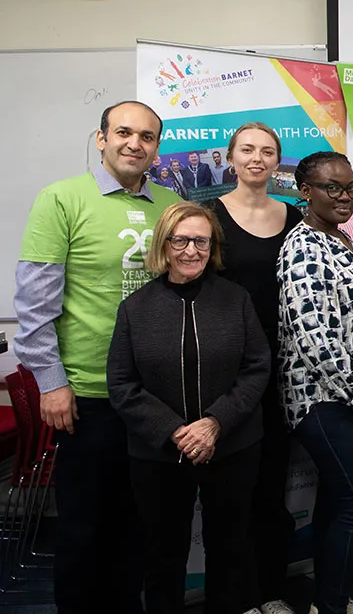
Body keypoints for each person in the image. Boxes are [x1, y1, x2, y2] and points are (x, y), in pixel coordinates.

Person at [13, 100, 181, 613]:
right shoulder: (61, 199)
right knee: (85, 528)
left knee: (138, 526)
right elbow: (34, 306)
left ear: (157, 147)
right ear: (101, 138)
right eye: (124, 132)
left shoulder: (170, 205)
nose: (135, 143)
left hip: (154, 398)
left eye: (147, 136)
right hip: (87, 395)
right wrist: (51, 383)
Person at [107, 201, 269, 614]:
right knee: (163, 556)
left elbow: (257, 367)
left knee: (230, 550)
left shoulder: (236, 299)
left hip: (232, 445)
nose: (191, 250)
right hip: (159, 454)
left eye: (201, 241)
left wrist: (214, 423)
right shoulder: (135, 309)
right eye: (180, 240)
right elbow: (122, 384)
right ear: (164, 244)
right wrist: (175, 431)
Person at [277, 151, 353, 614]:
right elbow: (317, 341)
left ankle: (331, 601)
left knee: (338, 500)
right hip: (322, 398)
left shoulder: (340, 236)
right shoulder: (303, 248)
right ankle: (332, 607)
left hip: (350, 394)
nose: (345, 197)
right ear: (306, 192)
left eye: (350, 188)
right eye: (332, 188)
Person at [204, 122, 303, 614]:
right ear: (231, 158)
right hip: (229, 368)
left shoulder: (295, 217)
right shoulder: (210, 216)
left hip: (282, 367)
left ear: (277, 160)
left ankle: (271, 590)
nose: (257, 158)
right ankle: (234, 598)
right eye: (247, 150)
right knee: (229, 489)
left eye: (267, 151)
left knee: (271, 481)